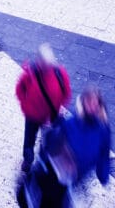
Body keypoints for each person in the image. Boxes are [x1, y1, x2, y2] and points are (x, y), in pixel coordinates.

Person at [15, 44, 72, 173]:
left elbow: (66, 92)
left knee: (48, 139)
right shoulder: (30, 74)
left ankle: (43, 161)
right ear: (39, 61)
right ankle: (28, 160)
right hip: (32, 115)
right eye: (45, 64)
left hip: (51, 115)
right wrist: (26, 106)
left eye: (49, 64)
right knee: (29, 137)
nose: (48, 67)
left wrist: (59, 107)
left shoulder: (59, 73)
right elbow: (19, 90)